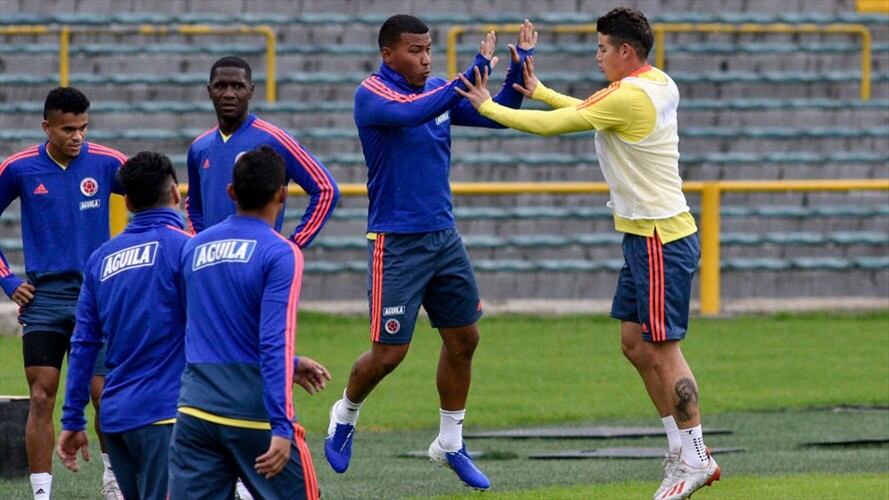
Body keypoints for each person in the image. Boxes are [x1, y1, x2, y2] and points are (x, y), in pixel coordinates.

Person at [456, 6, 720, 500]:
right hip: (645, 236)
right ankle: (678, 451)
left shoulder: (629, 97)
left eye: (602, 48)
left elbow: (556, 127)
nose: (597, 56)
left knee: (664, 351)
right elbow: (591, 108)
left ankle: (698, 458)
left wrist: (489, 106)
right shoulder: (656, 81)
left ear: (624, 51)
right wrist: (540, 93)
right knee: (635, 344)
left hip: (661, 239)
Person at [323, 15, 536, 491]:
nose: (424, 59)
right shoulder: (372, 94)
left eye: (428, 51)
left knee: (465, 339)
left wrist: (516, 71)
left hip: (443, 238)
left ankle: (450, 442)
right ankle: (345, 412)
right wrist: (468, 73)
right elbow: (409, 113)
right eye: (415, 51)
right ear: (388, 55)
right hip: (396, 243)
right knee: (388, 354)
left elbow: (495, 112)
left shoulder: (438, 89)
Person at [169, 146, 330, 499]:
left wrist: (291, 365)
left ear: (230, 192)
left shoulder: (194, 248)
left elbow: (200, 331)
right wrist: (282, 426)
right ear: (283, 195)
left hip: (195, 410)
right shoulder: (280, 253)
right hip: (251, 414)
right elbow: (274, 341)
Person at [0, 87, 123, 500]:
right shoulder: (20, 168)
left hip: (96, 297)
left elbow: (158, 194)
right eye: (68, 128)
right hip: (45, 300)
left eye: (83, 128)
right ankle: (41, 493)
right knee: (41, 395)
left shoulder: (106, 162)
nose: (78, 136)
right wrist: (7, 280)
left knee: (103, 394)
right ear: (47, 127)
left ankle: (113, 480)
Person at [186, 55, 339, 247]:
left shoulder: (274, 139)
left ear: (251, 91)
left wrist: (294, 244)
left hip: (258, 262)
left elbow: (327, 189)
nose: (229, 94)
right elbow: (194, 205)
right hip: (213, 266)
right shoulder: (199, 147)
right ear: (209, 91)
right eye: (221, 86)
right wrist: (200, 245)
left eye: (238, 86)